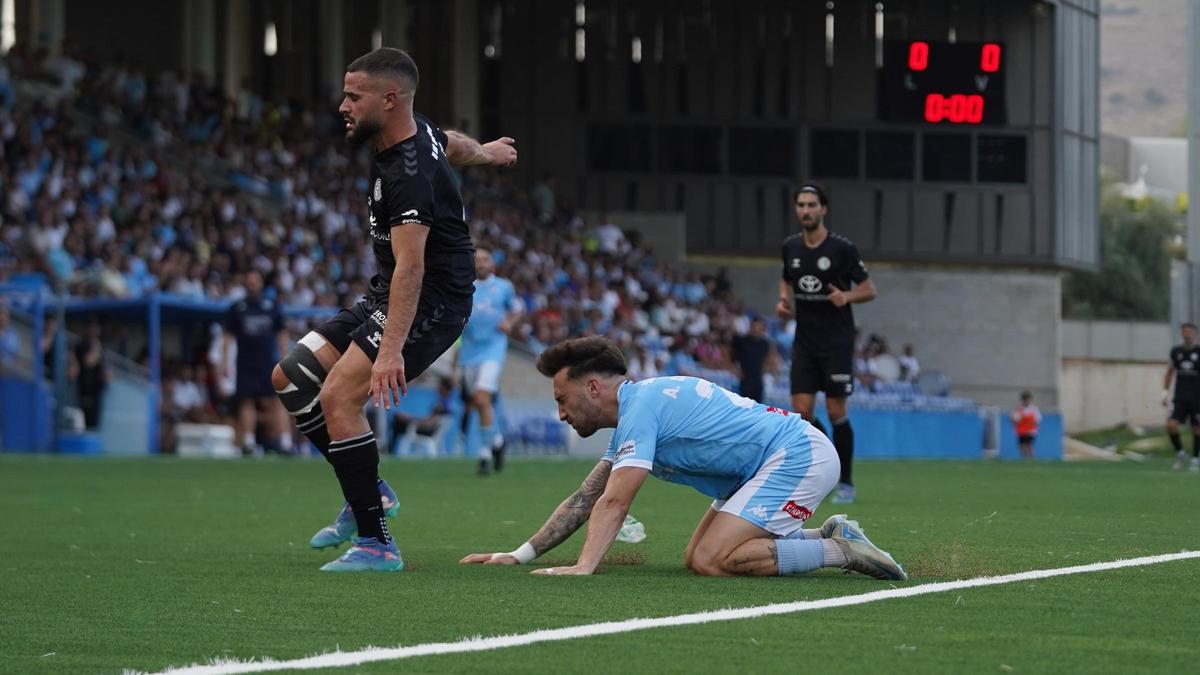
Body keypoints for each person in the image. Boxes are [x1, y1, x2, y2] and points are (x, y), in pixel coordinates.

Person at [270, 47, 517, 572]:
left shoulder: (409, 175)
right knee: (291, 377)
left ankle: (376, 543)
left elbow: (412, 270)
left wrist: (389, 354)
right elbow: (451, 142)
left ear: (389, 99)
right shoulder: (414, 132)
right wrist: (489, 153)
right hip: (387, 292)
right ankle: (370, 492)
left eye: (353, 96)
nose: (343, 105)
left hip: (432, 301)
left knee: (338, 396)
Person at [460, 336, 906, 580]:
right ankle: (828, 535)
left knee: (715, 559)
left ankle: (839, 551)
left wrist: (584, 567)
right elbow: (586, 499)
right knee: (698, 559)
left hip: (797, 455)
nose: (560, 413)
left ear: (593, 388)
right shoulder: (638, 410)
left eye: (563, 399)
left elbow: (615, 503)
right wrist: (518, 555)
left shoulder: (641, 410)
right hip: (765, 466)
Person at [776, 182, 876, 505]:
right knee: (802, 411)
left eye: (811, 205)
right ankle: (827, 459)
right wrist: (782, 299)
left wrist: (845, 296)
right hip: (804, 340)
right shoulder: (790, 247)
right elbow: (787, 277)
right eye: (801, 205)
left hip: (837, 341)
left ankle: (846, 482)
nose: (806, 210)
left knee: (835, 410)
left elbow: (869, 289)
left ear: (823, 209)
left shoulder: (842, 249)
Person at [458, 248, 523, 475]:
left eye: (485, 259)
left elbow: (517, 309)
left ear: (492, 263)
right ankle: (497, 441)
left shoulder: (504, 287)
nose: (481, 263)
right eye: (477, 260)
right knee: (480, 403)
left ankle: (484, 454)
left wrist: (510, 323)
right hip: (469, 352)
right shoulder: (465, 287)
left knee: (481, 397)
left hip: (493, 351)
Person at [225, 271, 289, 454]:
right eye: (249, 281)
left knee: (277, 400)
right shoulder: (237, 308)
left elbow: (282, 333)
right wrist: (224, 364)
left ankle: (285, 442)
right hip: (245, 363)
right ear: (245, 284)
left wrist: (285, 359)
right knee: (247, 401)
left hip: (268, 362)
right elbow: (227, 338)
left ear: (261, 283)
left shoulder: (272, 307)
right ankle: (248, 442)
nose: (252, 284)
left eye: (255, 281)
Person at [1164, 322, 1200, 472]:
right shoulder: (1176, 351)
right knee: (1171, 425)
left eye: (1190, 331)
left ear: (1195, 334)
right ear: (1181, 334)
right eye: (1184, 331)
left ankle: (1195, 459)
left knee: (1197, 429)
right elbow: (1170, 371)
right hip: (1179, 397)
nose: (1187, 334)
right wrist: (1164, 392)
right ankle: (1181, 453)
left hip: (1197, 398)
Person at [73, 318, 109, 430]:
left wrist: (106, 375)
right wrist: (96, 349)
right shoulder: (81, 346)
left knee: (95, 425)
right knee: (82, 425)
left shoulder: (100, 346)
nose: (94, 331)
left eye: (96, 328)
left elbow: (102, 368)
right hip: (84, 392)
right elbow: (88, 362)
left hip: (97, 392)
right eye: (91, 328)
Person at [730, 317, 774, 403]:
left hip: (758, 379)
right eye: (755, 327)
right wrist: (733, 369)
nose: (757, 330)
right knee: (745, 405)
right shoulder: (742, 341)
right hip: (745, 379)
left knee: (758, 406)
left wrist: (767, 367)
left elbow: (768, 358)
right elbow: (729, 351)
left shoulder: (765, 343)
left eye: (760, 327)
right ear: (751, 327)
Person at [1011, 391, 1041, 460]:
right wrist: (1014, 420)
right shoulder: (1018, 409)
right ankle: (1025, 459)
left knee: (1029, 446)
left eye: (1027, 399)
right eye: (1024, 399)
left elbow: (1038, 420)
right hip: (1021, 431)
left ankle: (1032, 459)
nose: (1026, 401)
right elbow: (1014, 419)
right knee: (1022, 446)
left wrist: (1032, 423)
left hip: (1030, 431)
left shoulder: (1034, 409)